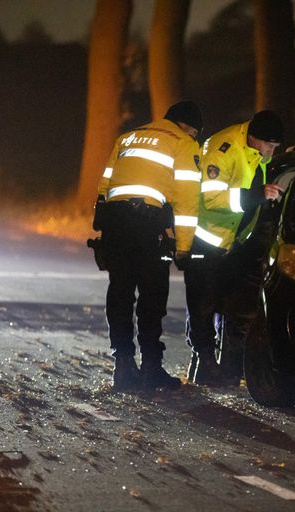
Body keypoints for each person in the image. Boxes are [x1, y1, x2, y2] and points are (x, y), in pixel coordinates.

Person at [95, 101, 203, 391]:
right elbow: (187, 202)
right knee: (152, 296)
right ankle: (151, 368)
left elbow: (104, 187)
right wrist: (184, 246)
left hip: (115, 224)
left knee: (120, 292)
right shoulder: (183, 144)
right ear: (187, 127)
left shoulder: (127, 137)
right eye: (195, 132)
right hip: (148, 227)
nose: (194, 137)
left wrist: (105, 229)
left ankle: (123, 366)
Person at [184, 110, 284, 386]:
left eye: (276, 148)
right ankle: (204, 363)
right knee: (203, 305)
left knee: (227, 303)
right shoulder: (223, 148)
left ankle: (223, 367)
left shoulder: (254, 152)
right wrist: (255, 196)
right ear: (254, 137)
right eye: (270, 146)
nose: (271, 154)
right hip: (207, 239)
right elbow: (212, 198)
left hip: (232, 243)